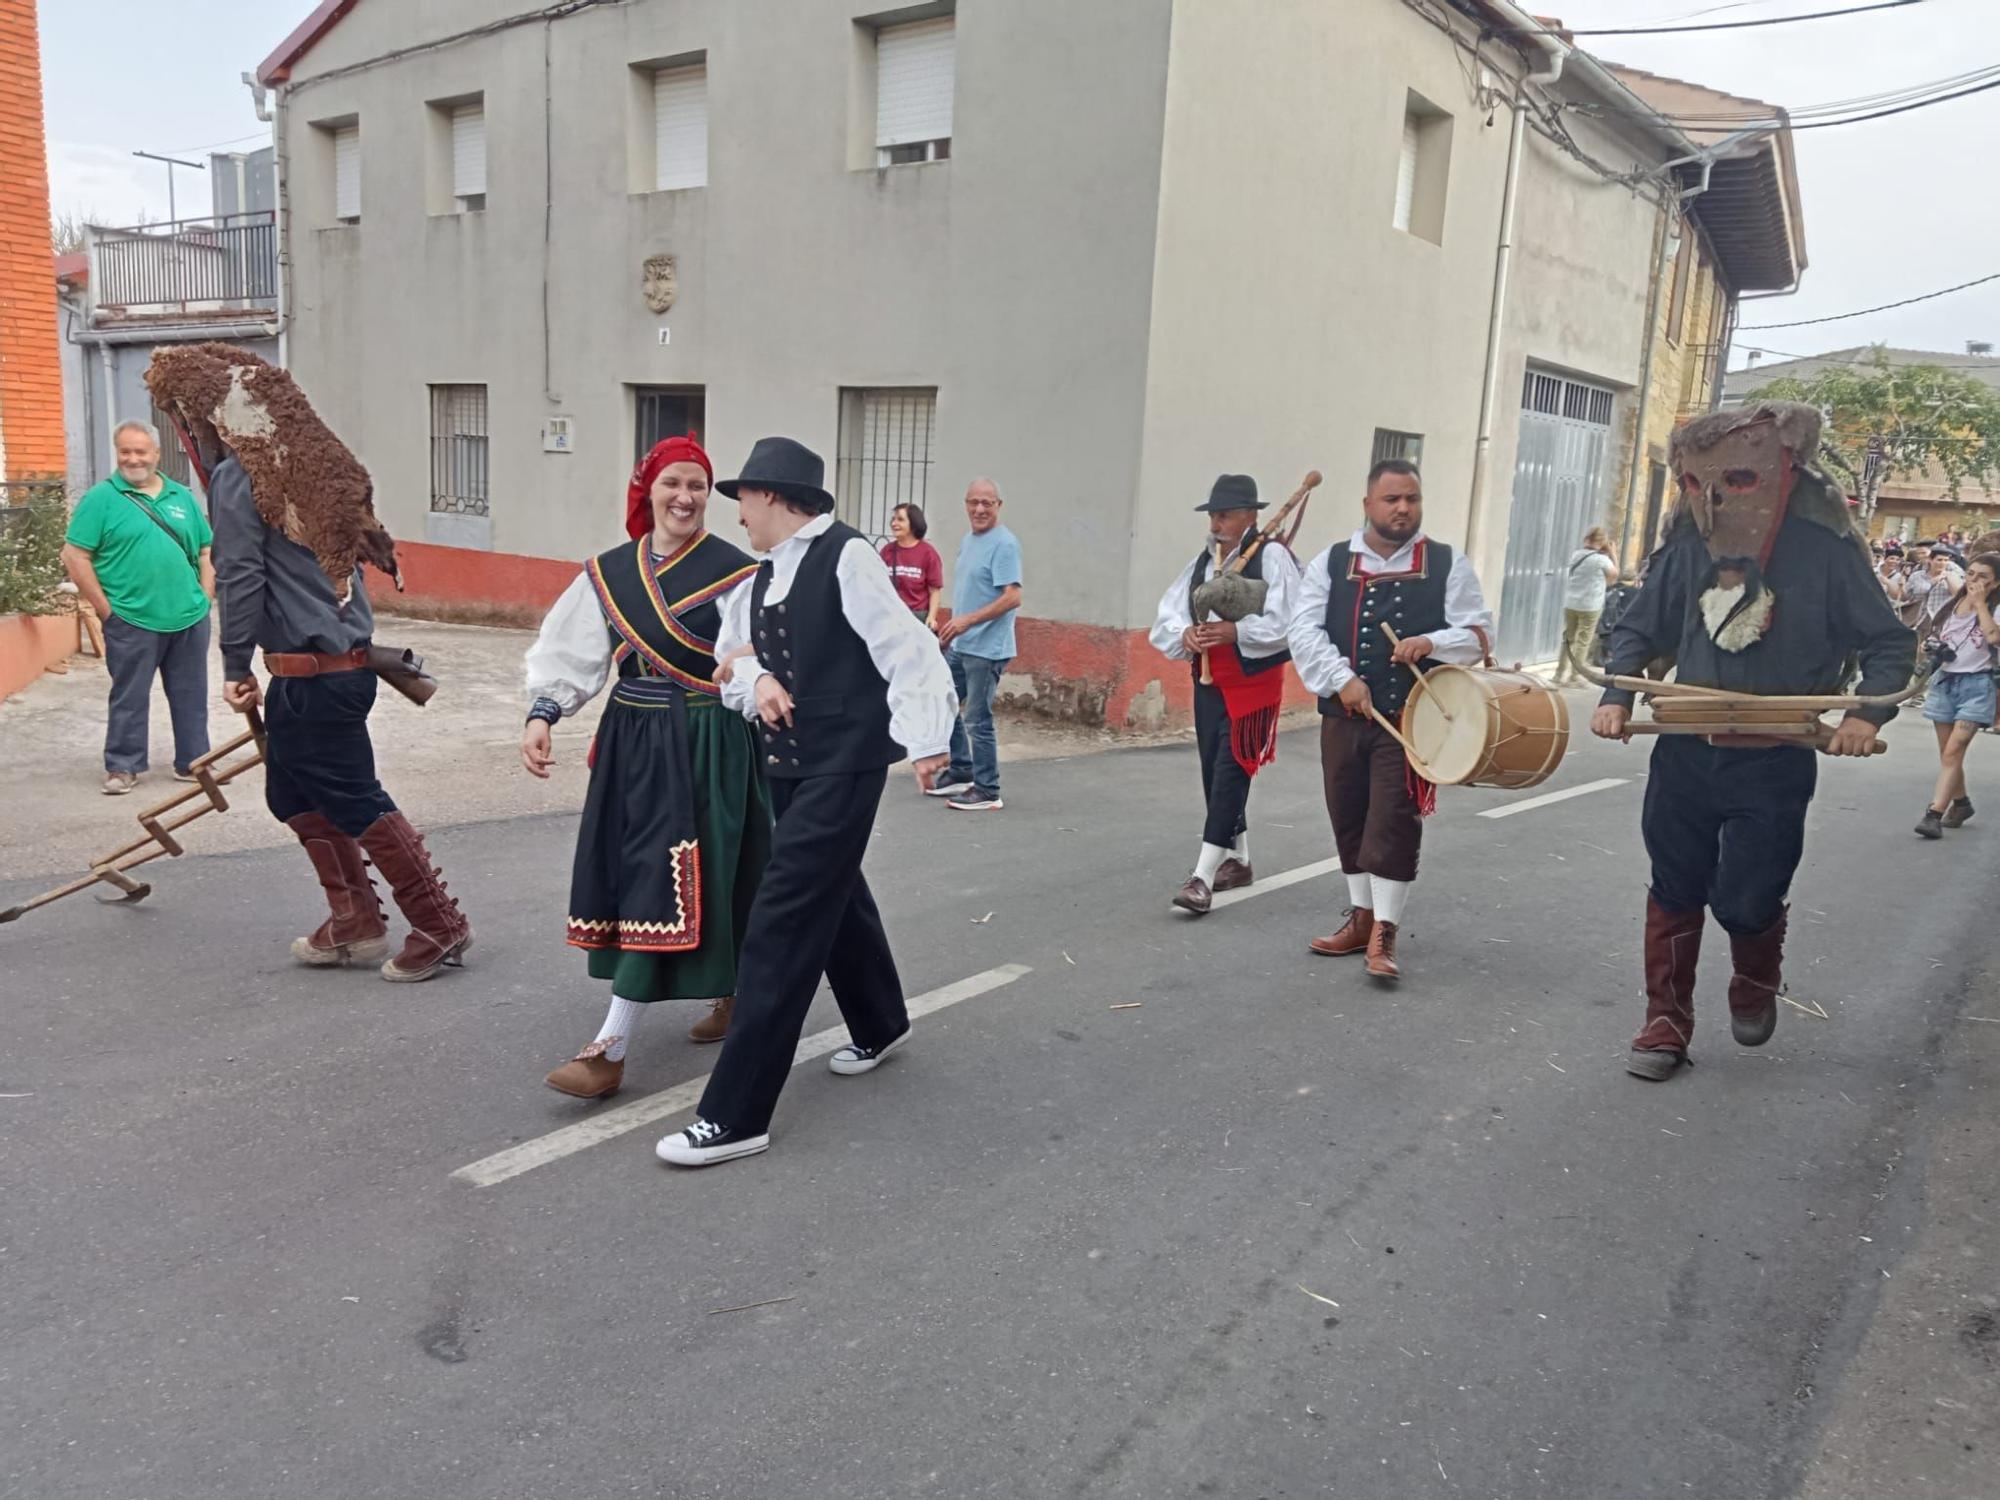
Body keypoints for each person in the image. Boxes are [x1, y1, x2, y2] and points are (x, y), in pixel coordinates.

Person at [654, 437, 958, 1168]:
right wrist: (754, 679)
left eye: (742, 501)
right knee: (835, 891)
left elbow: (907, 649)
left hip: (845, 763)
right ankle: (881, 1021)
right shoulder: (759, 577)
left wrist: (927, 740)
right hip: (786, 767)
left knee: (783, 919)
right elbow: (731, 661)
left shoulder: (847, 557)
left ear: (771, 497)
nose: (738, 515)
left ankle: (736, 1114)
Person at [1591, 403, 1913, 1082]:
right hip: (1683, 751)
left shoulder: (1825, 552)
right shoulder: (1686, 546)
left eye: (1738, 480)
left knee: (1747, 899)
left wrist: (1866, 716)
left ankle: (1755, 976)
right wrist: (1617, 696)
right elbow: (1637, 630)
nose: (1713, 499)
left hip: (1775, 757)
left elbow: (1889, 642)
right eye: (1696, 484)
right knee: (1674, 887)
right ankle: (1665, 1022)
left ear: (1786, 471)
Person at [147, 342, 472, 983]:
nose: (187, 431)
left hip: (320, 675)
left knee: (355, 799)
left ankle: (439, 925)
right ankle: (354, 922)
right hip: (326, 672)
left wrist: (235, 664)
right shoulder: (308, 471)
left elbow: (240, 577)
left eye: (186, 416)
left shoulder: (246, 479)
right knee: (290, 792)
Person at [522, 436, 767, 1098]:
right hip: (632, 741)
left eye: (696, 485)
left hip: (708, 739)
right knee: (643, 876)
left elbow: (757, 662)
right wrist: (543, 714)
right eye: (672, 484)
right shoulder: (608, 575)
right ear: (647, 492)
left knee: (698, 875)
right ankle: (736, 992)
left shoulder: (738, 574)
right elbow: (572, 655)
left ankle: (610, 1046)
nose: (685, 497)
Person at [1288, 459, 1495, 981]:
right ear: (1368, 506)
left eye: (1412, 499)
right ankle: (1359, 918)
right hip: (1344, 713)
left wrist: (1433, 642)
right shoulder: (1332, 562)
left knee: (1393, 821)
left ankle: (1385, 930)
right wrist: (1343, 680)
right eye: (1392, 499)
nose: (1403, 508)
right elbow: (1304, 631)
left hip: (1412, 720)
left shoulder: (1447, 563)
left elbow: (1478, 634)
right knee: (1348, 813)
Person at [1148, 473, 1300, 915]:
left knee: (1233, 769)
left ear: (1250, 517)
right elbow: (1169, 615)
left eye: (1226, 514)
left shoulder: (1272, 557)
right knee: (1215, 775)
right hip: (1209, 680)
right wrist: (1188, 634)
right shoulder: (1203, 562)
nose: (1217, 522)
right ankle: (1240, 860)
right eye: (1214, 514)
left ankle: (1202, 878)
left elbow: (1287, 620)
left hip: (1252, 684)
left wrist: (1236, 630)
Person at [61, 420, 214, 795]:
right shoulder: (101, 499)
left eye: (140, 451)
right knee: (129, 696)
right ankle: (123, 766)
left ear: (156, 454)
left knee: (191, 695)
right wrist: (106, 610)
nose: (133, 459)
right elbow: (75, 555)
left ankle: (194, 762)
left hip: (189, 619)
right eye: (125, 451)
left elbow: (207, 550)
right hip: (131, 620)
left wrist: (205, 598)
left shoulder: (181, 497)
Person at [928, 479, 1023, 812]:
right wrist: (953, 625)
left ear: (999, 505)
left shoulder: (1005, 544)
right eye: (974, 503)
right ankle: (961, 770)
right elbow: (971, 590)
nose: (980, 509)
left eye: (987, 503)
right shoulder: (969, 540)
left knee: (977, 719)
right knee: (944, 701)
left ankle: (987, 790)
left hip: (988, 649)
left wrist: (967, 621)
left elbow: (1012, 597)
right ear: (966, 504)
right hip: (962, 643)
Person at [1914, 552, 2000, 838]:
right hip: (1945, 682)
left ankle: (1933, 813)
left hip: (1977, 685)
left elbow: (1993, 638)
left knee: (1954, 750)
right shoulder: (1952, 605)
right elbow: (1938, 635)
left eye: (1983, 577)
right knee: (1948, 754)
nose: (1974, 580)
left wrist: (1980, 605)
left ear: (1996, 583)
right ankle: (1961, 803)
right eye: (1971, 574)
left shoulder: (1995, 607)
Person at [1555, 526, 1619, 687]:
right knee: (1583, 641)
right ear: (1603, 542)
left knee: (1568, 639)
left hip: (1571, 603)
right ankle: (1575, 676)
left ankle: (1559, 673)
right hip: (1590, 605)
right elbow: (1614, 576)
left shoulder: (1576, 555)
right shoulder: (1602, 560)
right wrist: (1613, 553)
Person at [880, 502, 944, 631]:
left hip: (916, 619)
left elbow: (935, 590)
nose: (894, 523)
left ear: (913, 524)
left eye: (900, 519)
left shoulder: (928, 553)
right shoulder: (887, 551)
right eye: (893, 519)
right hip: (891, 618)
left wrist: (931, 618)